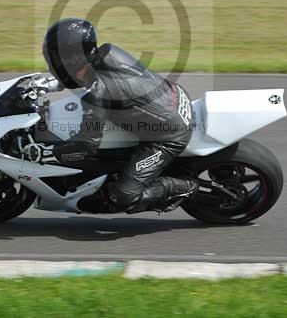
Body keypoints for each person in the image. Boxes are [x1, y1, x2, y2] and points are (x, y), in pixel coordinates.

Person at [42, 18, 199, 213]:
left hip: (168, 136)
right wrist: (45, 85)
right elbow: (84, 80)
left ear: (72, 59)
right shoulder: (106, 52)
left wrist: (48, 153)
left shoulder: (97, 95)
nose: (52, 62)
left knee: (123, 195)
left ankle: (188, 186)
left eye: (55, 58)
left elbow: (86, 146)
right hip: (174, 98)